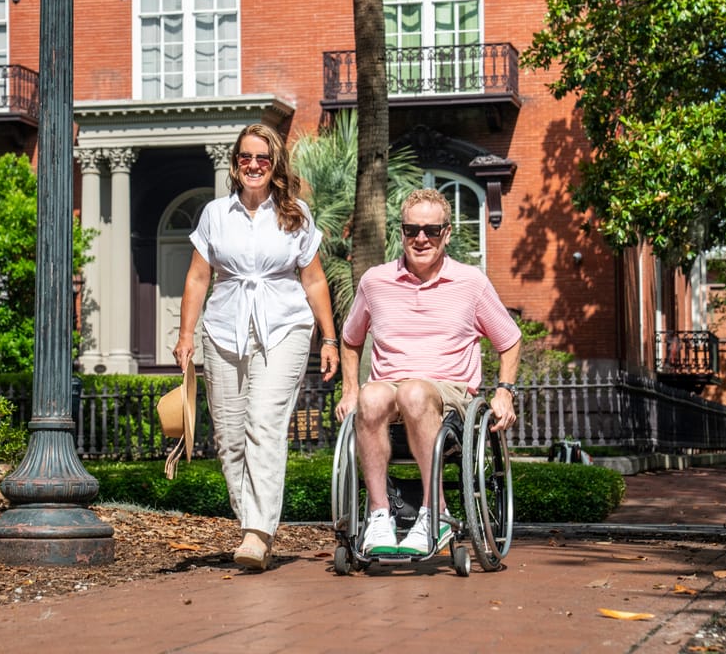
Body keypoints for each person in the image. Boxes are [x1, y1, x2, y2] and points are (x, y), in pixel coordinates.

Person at [173, 123, 339, 571]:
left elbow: (314, 279)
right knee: (228, 439)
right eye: (245, 157)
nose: (253, 165)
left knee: (264, 423)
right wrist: (186, 335)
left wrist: (329, 337)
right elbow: (197, 278)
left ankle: (256, 532)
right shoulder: (214, 214)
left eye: (262, 158)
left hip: (283, 326)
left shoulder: (296, 214)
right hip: (224, 328)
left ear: (275, 164)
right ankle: (252, 522)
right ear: (235, 163)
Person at [336, 188, 522, 557]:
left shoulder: (471, 283)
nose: (421, 238)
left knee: (415, 391)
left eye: (431, 231)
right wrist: (350, 389)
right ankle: (379, 516)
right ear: (401, 232)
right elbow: (350, 338)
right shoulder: (375, 281)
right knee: (372, 396)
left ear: (447, 234)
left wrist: (504, 391)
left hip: (449, 393)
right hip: (390, 390)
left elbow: (510, 339)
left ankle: (435, 513)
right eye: (412, 230)